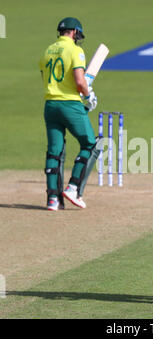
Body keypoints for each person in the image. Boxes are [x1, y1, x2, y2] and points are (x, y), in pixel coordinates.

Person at [39, 17, 101, 211]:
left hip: (50, 105)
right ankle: (73, 188)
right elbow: (80, 81)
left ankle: (53, 199)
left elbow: (45, 77)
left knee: (55, 150)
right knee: (90, 144)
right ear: (74, 32)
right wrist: (88, 95)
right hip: (70, 105)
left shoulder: (48, 51)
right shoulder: (75, 50)